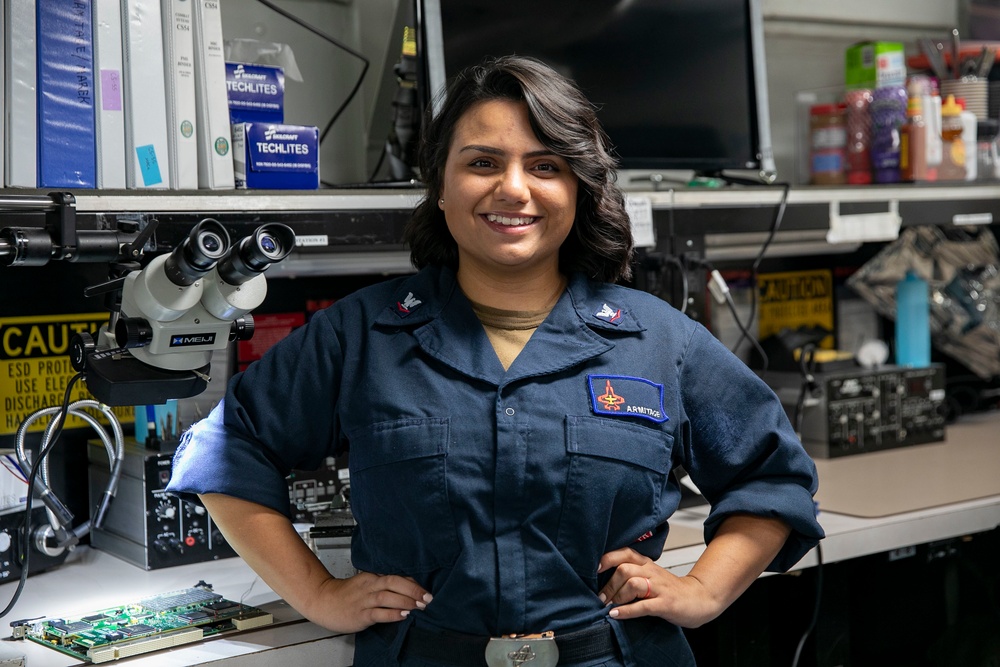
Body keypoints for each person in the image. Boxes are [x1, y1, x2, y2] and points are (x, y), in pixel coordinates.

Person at [167, 54, 824, 666]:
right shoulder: (360, 334)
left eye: (545, 166)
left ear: (579, 188)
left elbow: (772, 477)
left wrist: (706, 590)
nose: (514, 189)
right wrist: (316, 592)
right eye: (483, 162)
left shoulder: (658, 340)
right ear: (442, 186)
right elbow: (227, 448)